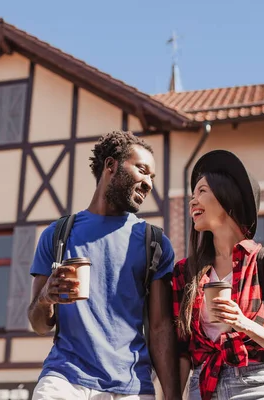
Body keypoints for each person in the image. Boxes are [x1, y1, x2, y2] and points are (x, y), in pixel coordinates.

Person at [27, 130, 181, 400]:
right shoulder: (57, 235)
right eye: (142, 170)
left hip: (131, 388)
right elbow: (39, 325)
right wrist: (45, 297)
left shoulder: (153, 242)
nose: (148, 184)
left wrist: (172, 396)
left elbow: (160, 328)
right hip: (65, 379)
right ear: (111, 165)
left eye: (152, 178)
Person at [172, 150, 264, 400]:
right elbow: (183, 351)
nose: (192, 201)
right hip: (203, 386)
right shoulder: (184, 273)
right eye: (192, 195)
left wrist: (242, 323)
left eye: (202, 191)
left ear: (226, 198)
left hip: (258, 385)